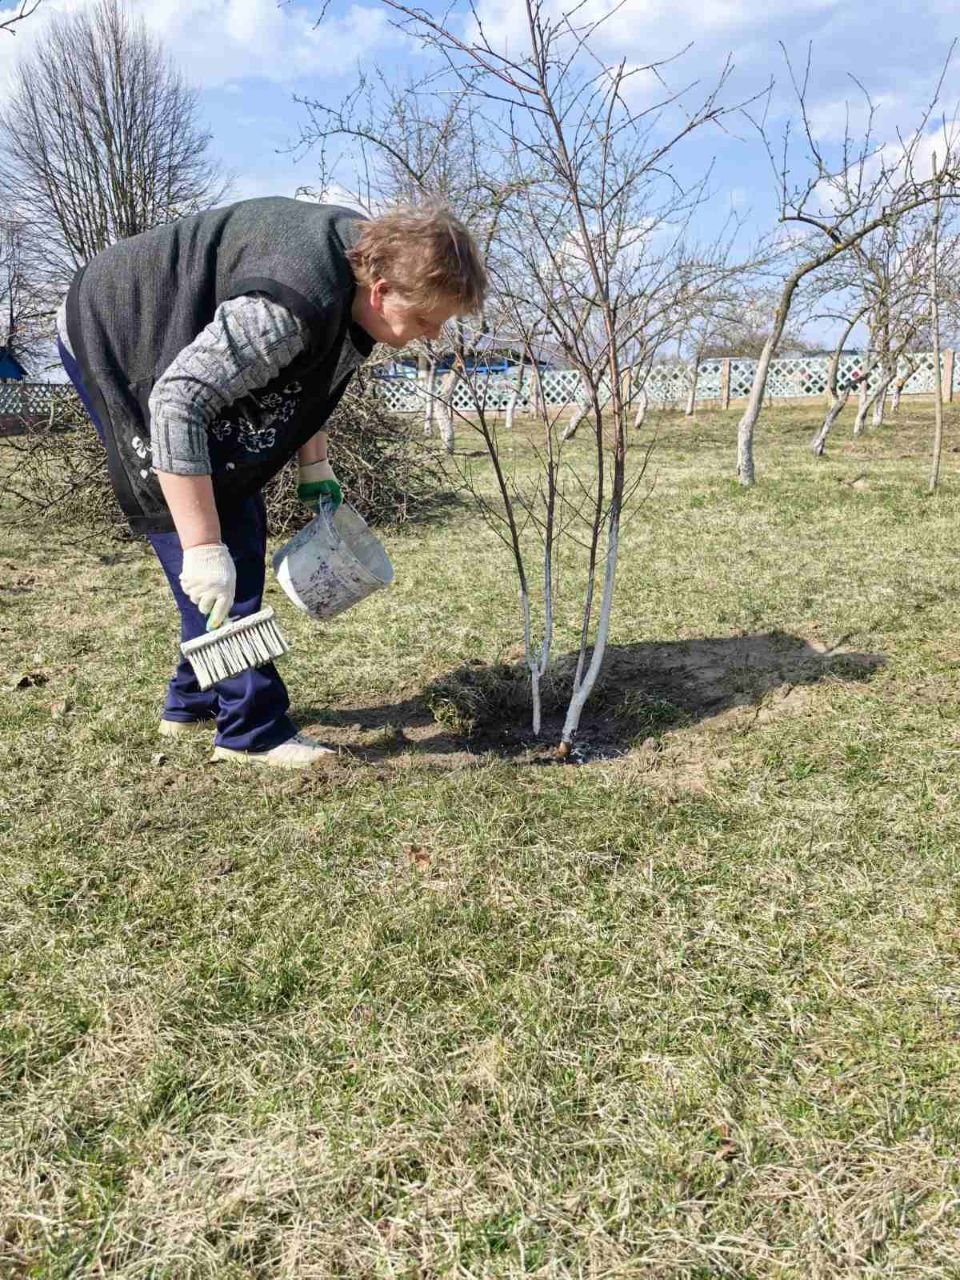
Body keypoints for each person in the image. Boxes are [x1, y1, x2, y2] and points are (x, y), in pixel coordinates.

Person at [57, 198, 486, 767]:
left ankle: (191, 703)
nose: (434, 334)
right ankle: (250, 731)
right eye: (429, 319)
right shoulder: (287, 307)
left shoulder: (355, 284)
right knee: (221, 541)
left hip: (175, 345)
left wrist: (315, 466)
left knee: (234, 514)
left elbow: (307, 381)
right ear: (381, 290)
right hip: (116, 327)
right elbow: (177, 401)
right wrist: (204, 547)